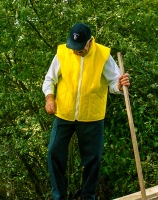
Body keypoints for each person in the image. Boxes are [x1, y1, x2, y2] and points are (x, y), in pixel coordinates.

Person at [42, 22, 130, 200]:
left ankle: (87, 197)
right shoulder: (62, 52)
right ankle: (59, 197)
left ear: (90, 41)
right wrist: (49, 98)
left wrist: (120, 85)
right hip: (64, 113)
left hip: (92, 116)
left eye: (80, 48)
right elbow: (49, 79)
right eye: (73, 47)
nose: (76, 51)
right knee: (54, 153)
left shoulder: (103, 55)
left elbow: (114, 83)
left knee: (93, 160)